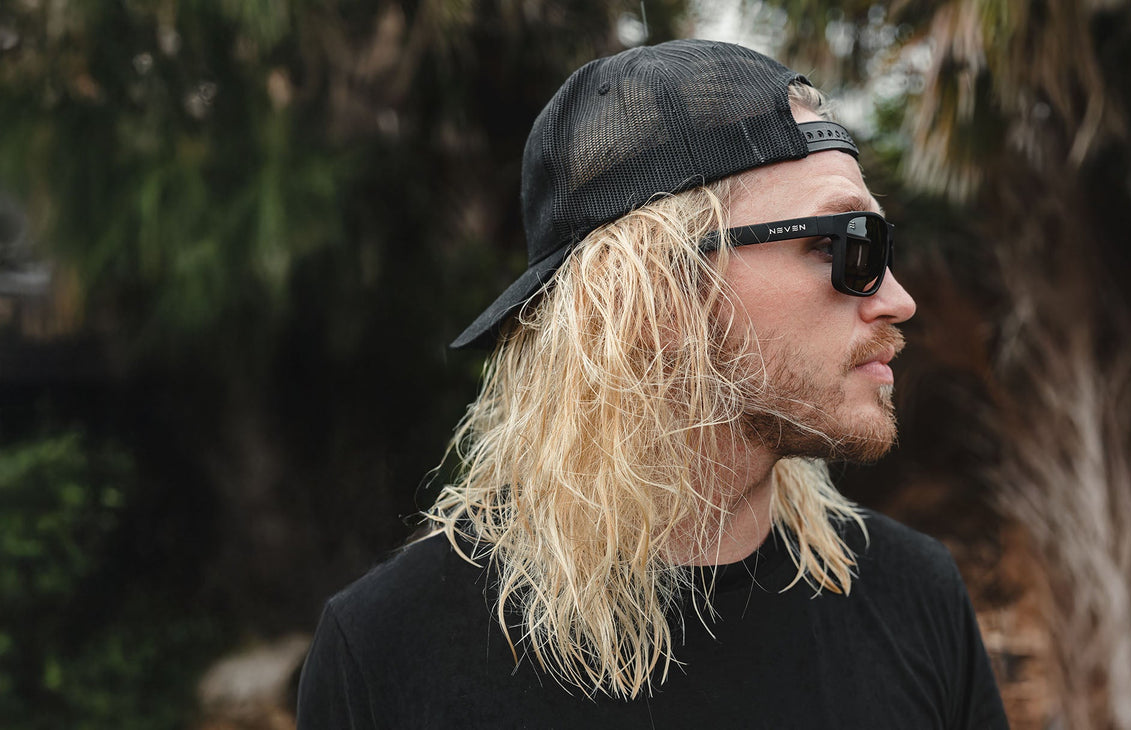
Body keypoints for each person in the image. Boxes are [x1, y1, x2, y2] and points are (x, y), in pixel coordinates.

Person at [296, 38, 1008, 729]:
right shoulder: (392, 650)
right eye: (844, 245)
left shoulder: (913, 595)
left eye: (884, 245)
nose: (896, 297)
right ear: (655, 296)